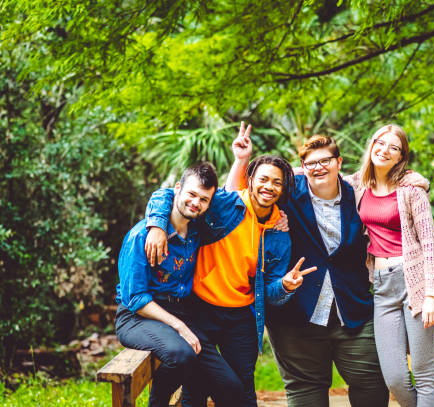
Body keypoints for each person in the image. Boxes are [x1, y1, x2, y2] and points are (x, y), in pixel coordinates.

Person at [226, 123, 391, 407]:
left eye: (325, 160)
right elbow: (236, 199)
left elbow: (394, 185)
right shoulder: (288, 191)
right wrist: (241, 160)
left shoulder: (360, 194)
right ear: (302, 166)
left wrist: (416, 181)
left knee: (372, 384)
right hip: (295, 314)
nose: (318, 167)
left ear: (339, 162)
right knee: (305, 392)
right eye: (311, 163)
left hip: (351, 309)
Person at [144, 152, 316, 407]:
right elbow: (168, 194)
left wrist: (285, 286)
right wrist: (157, 225)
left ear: (282, 188)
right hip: (200, 308)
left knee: (243, 388)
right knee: (195, 386)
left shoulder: (280, 234)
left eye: (276, 182)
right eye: (263, 179)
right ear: (250, 179)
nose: (268, 187)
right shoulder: (226, 204)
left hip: (241, 316)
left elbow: (268, 293)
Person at [345, 124, 434, 407]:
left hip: (415, 282)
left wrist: (431, 294)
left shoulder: (412, 190)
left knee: (424, 373)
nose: (384, 150)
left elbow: (430, 243)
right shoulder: (360, 186)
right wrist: (291, 169)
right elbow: (323, 172)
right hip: (382, 285)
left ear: (401, 157)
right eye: (380, 142)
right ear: (371, 144)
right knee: (395, 378)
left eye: (394, 147)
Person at [115, 162, 217, 407]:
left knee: (204, 367)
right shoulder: (142, 236)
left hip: (178, 309)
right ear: (178, 189)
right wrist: (179, 326)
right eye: (192, 194)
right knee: (180, 355)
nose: (196, 202)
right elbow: (136, 299)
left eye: (203, 199)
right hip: (136, 316)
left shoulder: (194, 231)